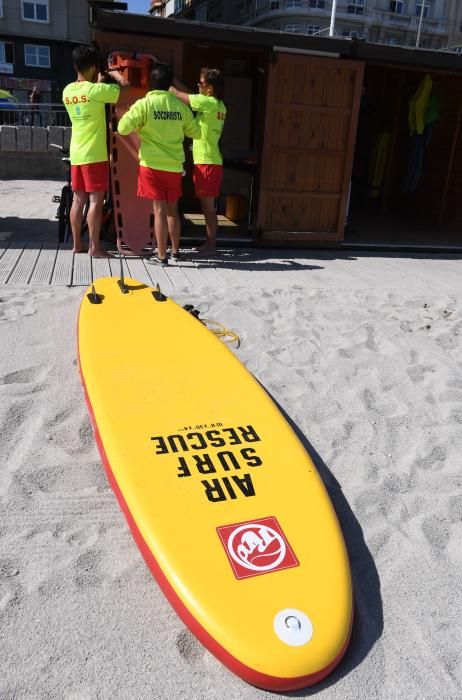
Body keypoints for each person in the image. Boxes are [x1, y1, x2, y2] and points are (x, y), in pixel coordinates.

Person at [117, 62, 201, 265]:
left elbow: (122, 128)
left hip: (152, 166)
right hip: (174, 167)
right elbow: (196, 132)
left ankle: (161, 256)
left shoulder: (144, 105)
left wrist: (141, 126)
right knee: (173, 210)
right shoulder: (179, 106)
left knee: (159, 211)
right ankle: (175, 252)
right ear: (169, 83)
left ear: (151, 82)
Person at [62, 45, 130, 257]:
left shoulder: (67, 91)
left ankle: (77, 244)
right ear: (93, 67)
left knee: (77, 201)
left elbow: (86, 96)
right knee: (95, 202)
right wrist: (113, 73)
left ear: (75, 65)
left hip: (77, 154)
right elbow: (126, 88)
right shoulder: (97, 91)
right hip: (95, 155)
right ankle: (95, 247)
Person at [170, 67, 226, 254]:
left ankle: (211, 245)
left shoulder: (207, 103)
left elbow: (180, 95)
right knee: (207, 206)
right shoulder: (218, 105)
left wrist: (164, 84)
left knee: (208, 208)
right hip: (211, 161)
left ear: (209, 88)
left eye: (201, 83)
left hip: (207, 163)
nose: (198, 86)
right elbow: (191, 94)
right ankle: (210, 243)